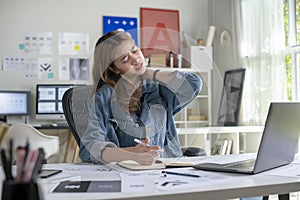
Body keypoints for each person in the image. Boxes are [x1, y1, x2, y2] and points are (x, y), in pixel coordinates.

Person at [79, 30, 202, 165]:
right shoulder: (103, 98)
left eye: (135, 51)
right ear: (115, 69)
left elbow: (193, 85)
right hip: (127, 174)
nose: (135, 59)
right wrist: (131, 154)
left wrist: (151, 73)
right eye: (125, 59)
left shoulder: (159, 88)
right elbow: (89, 148)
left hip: (168, 170)